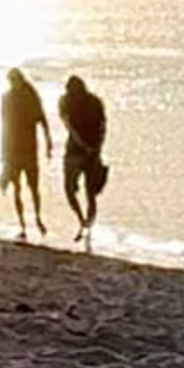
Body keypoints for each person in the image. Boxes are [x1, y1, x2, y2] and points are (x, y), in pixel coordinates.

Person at [0, 65, 50, 240]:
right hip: (13, 149)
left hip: (28, 149)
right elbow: (4, 125)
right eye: (11, 82)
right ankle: (22, 225)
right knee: (17, 188)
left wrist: (48, 142)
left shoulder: (30, 97)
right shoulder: (6, 98)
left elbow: (42, 119)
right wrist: (3, 153)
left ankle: (38, 218)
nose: (13, 84)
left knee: (33, 187)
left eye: (14, 81)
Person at [57, 71, 109, 244]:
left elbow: (101, 126)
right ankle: (84, 222)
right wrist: (92, 147)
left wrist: (94, 148)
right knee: (77, 190)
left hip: (83, 151)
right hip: (83, 150)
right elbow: (69, 125)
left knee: (84, 191)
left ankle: (86, 223)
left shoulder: (93, 102)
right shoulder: (69, 101)